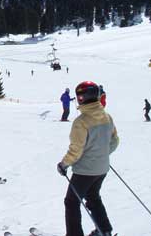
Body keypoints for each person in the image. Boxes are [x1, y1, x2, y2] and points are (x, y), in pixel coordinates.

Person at [57, 81, 119, 236]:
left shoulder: (81, 122)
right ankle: (105, 230)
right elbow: (115, 141)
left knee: (71, 202)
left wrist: (63, 164)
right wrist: (101, 154)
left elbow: (76, 150)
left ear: (82, 98)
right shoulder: (107, 117)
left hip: (85, 171)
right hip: (102, 168)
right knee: (93, 197)